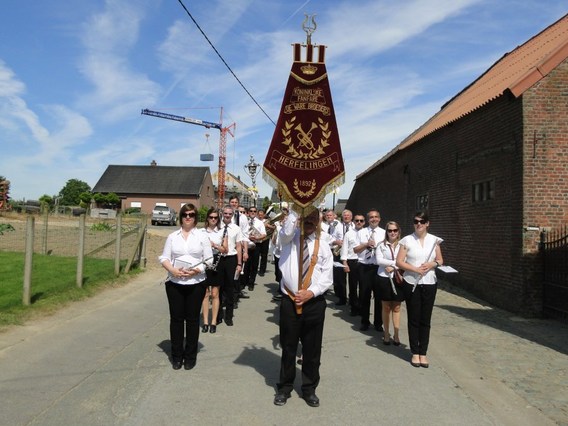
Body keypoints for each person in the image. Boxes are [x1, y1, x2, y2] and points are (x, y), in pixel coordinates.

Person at [274, 208, 333, 408]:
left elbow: (327, 277)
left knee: (312, 348)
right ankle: (284, 387)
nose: (309, 221)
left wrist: (311, 292)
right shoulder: (289, 240)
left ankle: (309, 389)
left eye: (313, 218)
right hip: (290, 301)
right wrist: (294, 210)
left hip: (314, 303)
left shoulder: (323, 246)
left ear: (318, 221)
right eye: (305, 217)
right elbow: (286, 231)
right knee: (289, 346)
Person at [159, 204, 213, 370]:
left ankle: (190, 356)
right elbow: (164, 258)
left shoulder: (202, 237)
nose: (188, 217)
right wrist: (173, 270)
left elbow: (209, 259)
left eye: (191, 215)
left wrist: (197, 270)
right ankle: (176, 356)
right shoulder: (172, 236)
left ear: (195, 218)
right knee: (176, 320)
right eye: (185, 214)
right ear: (180, 217)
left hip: (196, 283)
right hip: (175, 283)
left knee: (191, 320)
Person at [396, 211, 443, 368]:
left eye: (422, 221)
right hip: (412, 282)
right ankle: (415, 352)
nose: (419, 224)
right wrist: (415, 270)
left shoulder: (434, 241)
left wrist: (432, 264)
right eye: (416, 221)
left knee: (426, 319)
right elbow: (399, 262)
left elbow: (440, 260)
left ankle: (423, 353)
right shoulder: (407, 240)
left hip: (430, 283)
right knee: (414, 318)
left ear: (427, 223)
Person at [353, 209, 385, 331]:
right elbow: (355, 250)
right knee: (364, 295)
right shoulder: (361, 233)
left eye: (376, 217)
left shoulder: (384, 233)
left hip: (378, 267)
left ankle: (378, 323)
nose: (374, 219)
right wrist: (366, 244)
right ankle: (364, 321)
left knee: (379, 296)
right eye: (371, 217)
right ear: (368, 220)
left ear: (380, 219)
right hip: (364, 267)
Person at [375, 221, 404, 345]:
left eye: (395, 230)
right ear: (386, 232)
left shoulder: (403, 245)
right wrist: (395, 264)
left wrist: (394, 267)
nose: (392, 233)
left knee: (397, 307)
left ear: (398, 232)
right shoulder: (381, 245)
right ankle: (386, 333)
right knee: (386, 307)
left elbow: (406, 259)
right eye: (390, 230)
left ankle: (396, 335)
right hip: (384, 278)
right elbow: (378, 260)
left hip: (398, 278)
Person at [200, 208, 228, 334]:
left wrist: (215, 245)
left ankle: (213, 321)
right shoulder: (201, 232)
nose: (213, 219)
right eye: (211, 217)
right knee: (205, 293)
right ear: (207, 218)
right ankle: (205, 321)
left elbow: (225, 250)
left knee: (215, 294)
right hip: (205, 262)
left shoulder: (222, 232)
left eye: (215, 218)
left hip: (217, 262)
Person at [217, 205, 245, 327]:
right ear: (222, 213)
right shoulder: (217, 227)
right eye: (225, 213)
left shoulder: (236, 229)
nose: (227, 215)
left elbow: (239, 246)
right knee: (218, 289)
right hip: (219, 259)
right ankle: (217, 316)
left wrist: (239, 263)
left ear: (232, 215)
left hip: (231, 259)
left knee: (230, 288)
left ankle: (229, 316)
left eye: (230, 214)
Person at [340, 214, 365, 316]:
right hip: (352, 262)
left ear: (364, 222)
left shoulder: (367, 233)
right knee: (353, 286)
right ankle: (354, 307)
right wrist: (345, 263)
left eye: (361, 220)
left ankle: (362, 307)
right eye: (357, 220)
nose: (359, 222)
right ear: (353, 222)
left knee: (364, 287)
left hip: (364, 263)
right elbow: (344, 248)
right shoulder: (348, 234)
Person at [243, 206, 266, 291]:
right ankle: (244, 281)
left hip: (256, 245)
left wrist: (257, 238)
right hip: (246, 246)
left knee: (254, 265)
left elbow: (264, 234)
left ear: (256, 213)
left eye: (254, 211)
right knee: (246, 265)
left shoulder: (260, 223)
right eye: (251, 211)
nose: (252, 212)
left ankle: (251, 283)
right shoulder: (245, 221)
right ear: (248, 212)